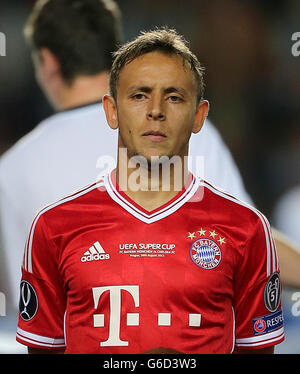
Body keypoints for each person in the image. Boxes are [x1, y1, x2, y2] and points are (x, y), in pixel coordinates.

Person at [16, 28, 284, 354]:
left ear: (199, 116)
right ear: (111, 111)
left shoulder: (245, 229)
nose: (155, 110)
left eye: (174, 97)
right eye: (139, 95)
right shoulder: (54, 227)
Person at [0, 0, 258, 311]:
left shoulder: (12, 167)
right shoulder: (176, 125)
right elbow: (250, 241)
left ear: (48, 61)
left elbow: (20, 304)